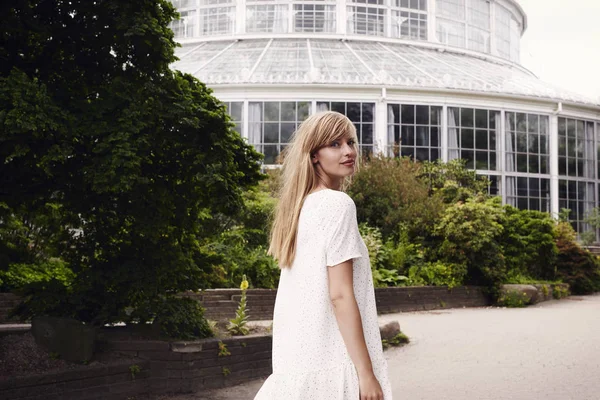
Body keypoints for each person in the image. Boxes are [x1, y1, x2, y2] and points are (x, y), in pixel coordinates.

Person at [254, 111, 393, 400]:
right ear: (314, 155)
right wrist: (366, 375)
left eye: (351, 142)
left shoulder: (300, 209)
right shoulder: (337, 204)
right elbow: (340, 295)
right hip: (334, 363)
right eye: (335, 144)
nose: (349, 151)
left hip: (299, 366)